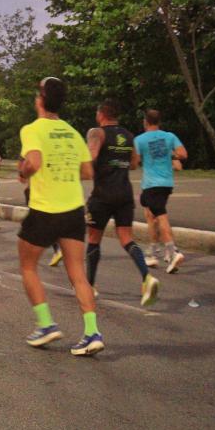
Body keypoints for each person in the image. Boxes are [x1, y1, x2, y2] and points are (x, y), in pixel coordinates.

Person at [18, 77, 103, 356]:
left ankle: (45, 325)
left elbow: (34, 162)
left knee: (29, 266)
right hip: (73, 210)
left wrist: (24, 172)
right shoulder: (72, 132)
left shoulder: (32, 129)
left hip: (45, 210)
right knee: (78, 274)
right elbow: (88, 172)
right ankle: (91, 332)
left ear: (40, 100)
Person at [85, 99, 160, 306]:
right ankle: (146, 277)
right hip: (125, 193)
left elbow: (91, 157)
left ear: (101, 114)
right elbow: (135, 163)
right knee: (127, 238)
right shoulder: (129, 135)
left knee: (93, 238)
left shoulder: (96, 133)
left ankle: (89, 286)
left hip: (102, 194)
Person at [135, 109, 187, 273]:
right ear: (159, 121)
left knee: (160, 216)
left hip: (152, 184)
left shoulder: (140, 139)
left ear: (145, 121)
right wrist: (168, 156)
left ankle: (173, 252)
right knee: (150, 216)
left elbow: (134, 162)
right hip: (165, 183)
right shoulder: (169, 136)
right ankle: (152, 253)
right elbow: (182, 154)